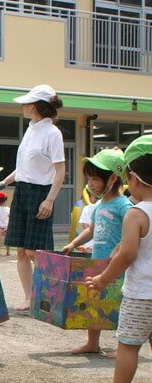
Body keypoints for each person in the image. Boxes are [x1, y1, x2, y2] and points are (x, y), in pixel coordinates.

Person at [87, 135, 152, 383]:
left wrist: (103, 279)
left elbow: (127, 253)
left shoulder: (136, 213)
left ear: (134, 179)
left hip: (140, 295)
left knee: (128, 345)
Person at [0, 85, 66, 311]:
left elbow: (60, 170)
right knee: (21, 250)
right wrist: (5, 182)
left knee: (34, 251)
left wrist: (50, 199)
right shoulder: (30, 129)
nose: (23, 107)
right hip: (23, 191)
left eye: (26, 103)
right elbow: (23, 167)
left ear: (35, 106)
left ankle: (51, 295)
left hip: (40, 193)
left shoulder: (52, 133)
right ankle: (29, 298)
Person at [63, 148, 132, 357]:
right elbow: (91, 230)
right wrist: (73, 243)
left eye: (94, 179)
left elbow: (133, 232)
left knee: (120, 305)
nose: (90, 184)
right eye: (89, 179)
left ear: (112, 178)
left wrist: (118, 249)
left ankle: (125, 346)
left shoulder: (124, 205)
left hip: (118, 266)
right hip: (98, 264)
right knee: (95, 302)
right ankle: (92, 343)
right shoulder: (100, 204)